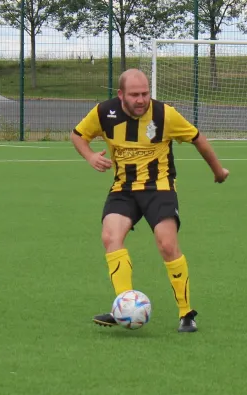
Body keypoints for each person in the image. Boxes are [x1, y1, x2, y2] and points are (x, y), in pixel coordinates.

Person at [70, 69, 229, 333]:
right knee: (110, 237)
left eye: (145, 93)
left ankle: (186, 312)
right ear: (121, 94)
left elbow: (197, 138)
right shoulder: (103, 112)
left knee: (167, 244)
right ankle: (124, 306)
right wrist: (89, 156)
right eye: (134, 94)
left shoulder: (165, 114)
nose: (141, 99)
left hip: (159, 187)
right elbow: (78, 135)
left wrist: (218, 171)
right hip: (124, 188)